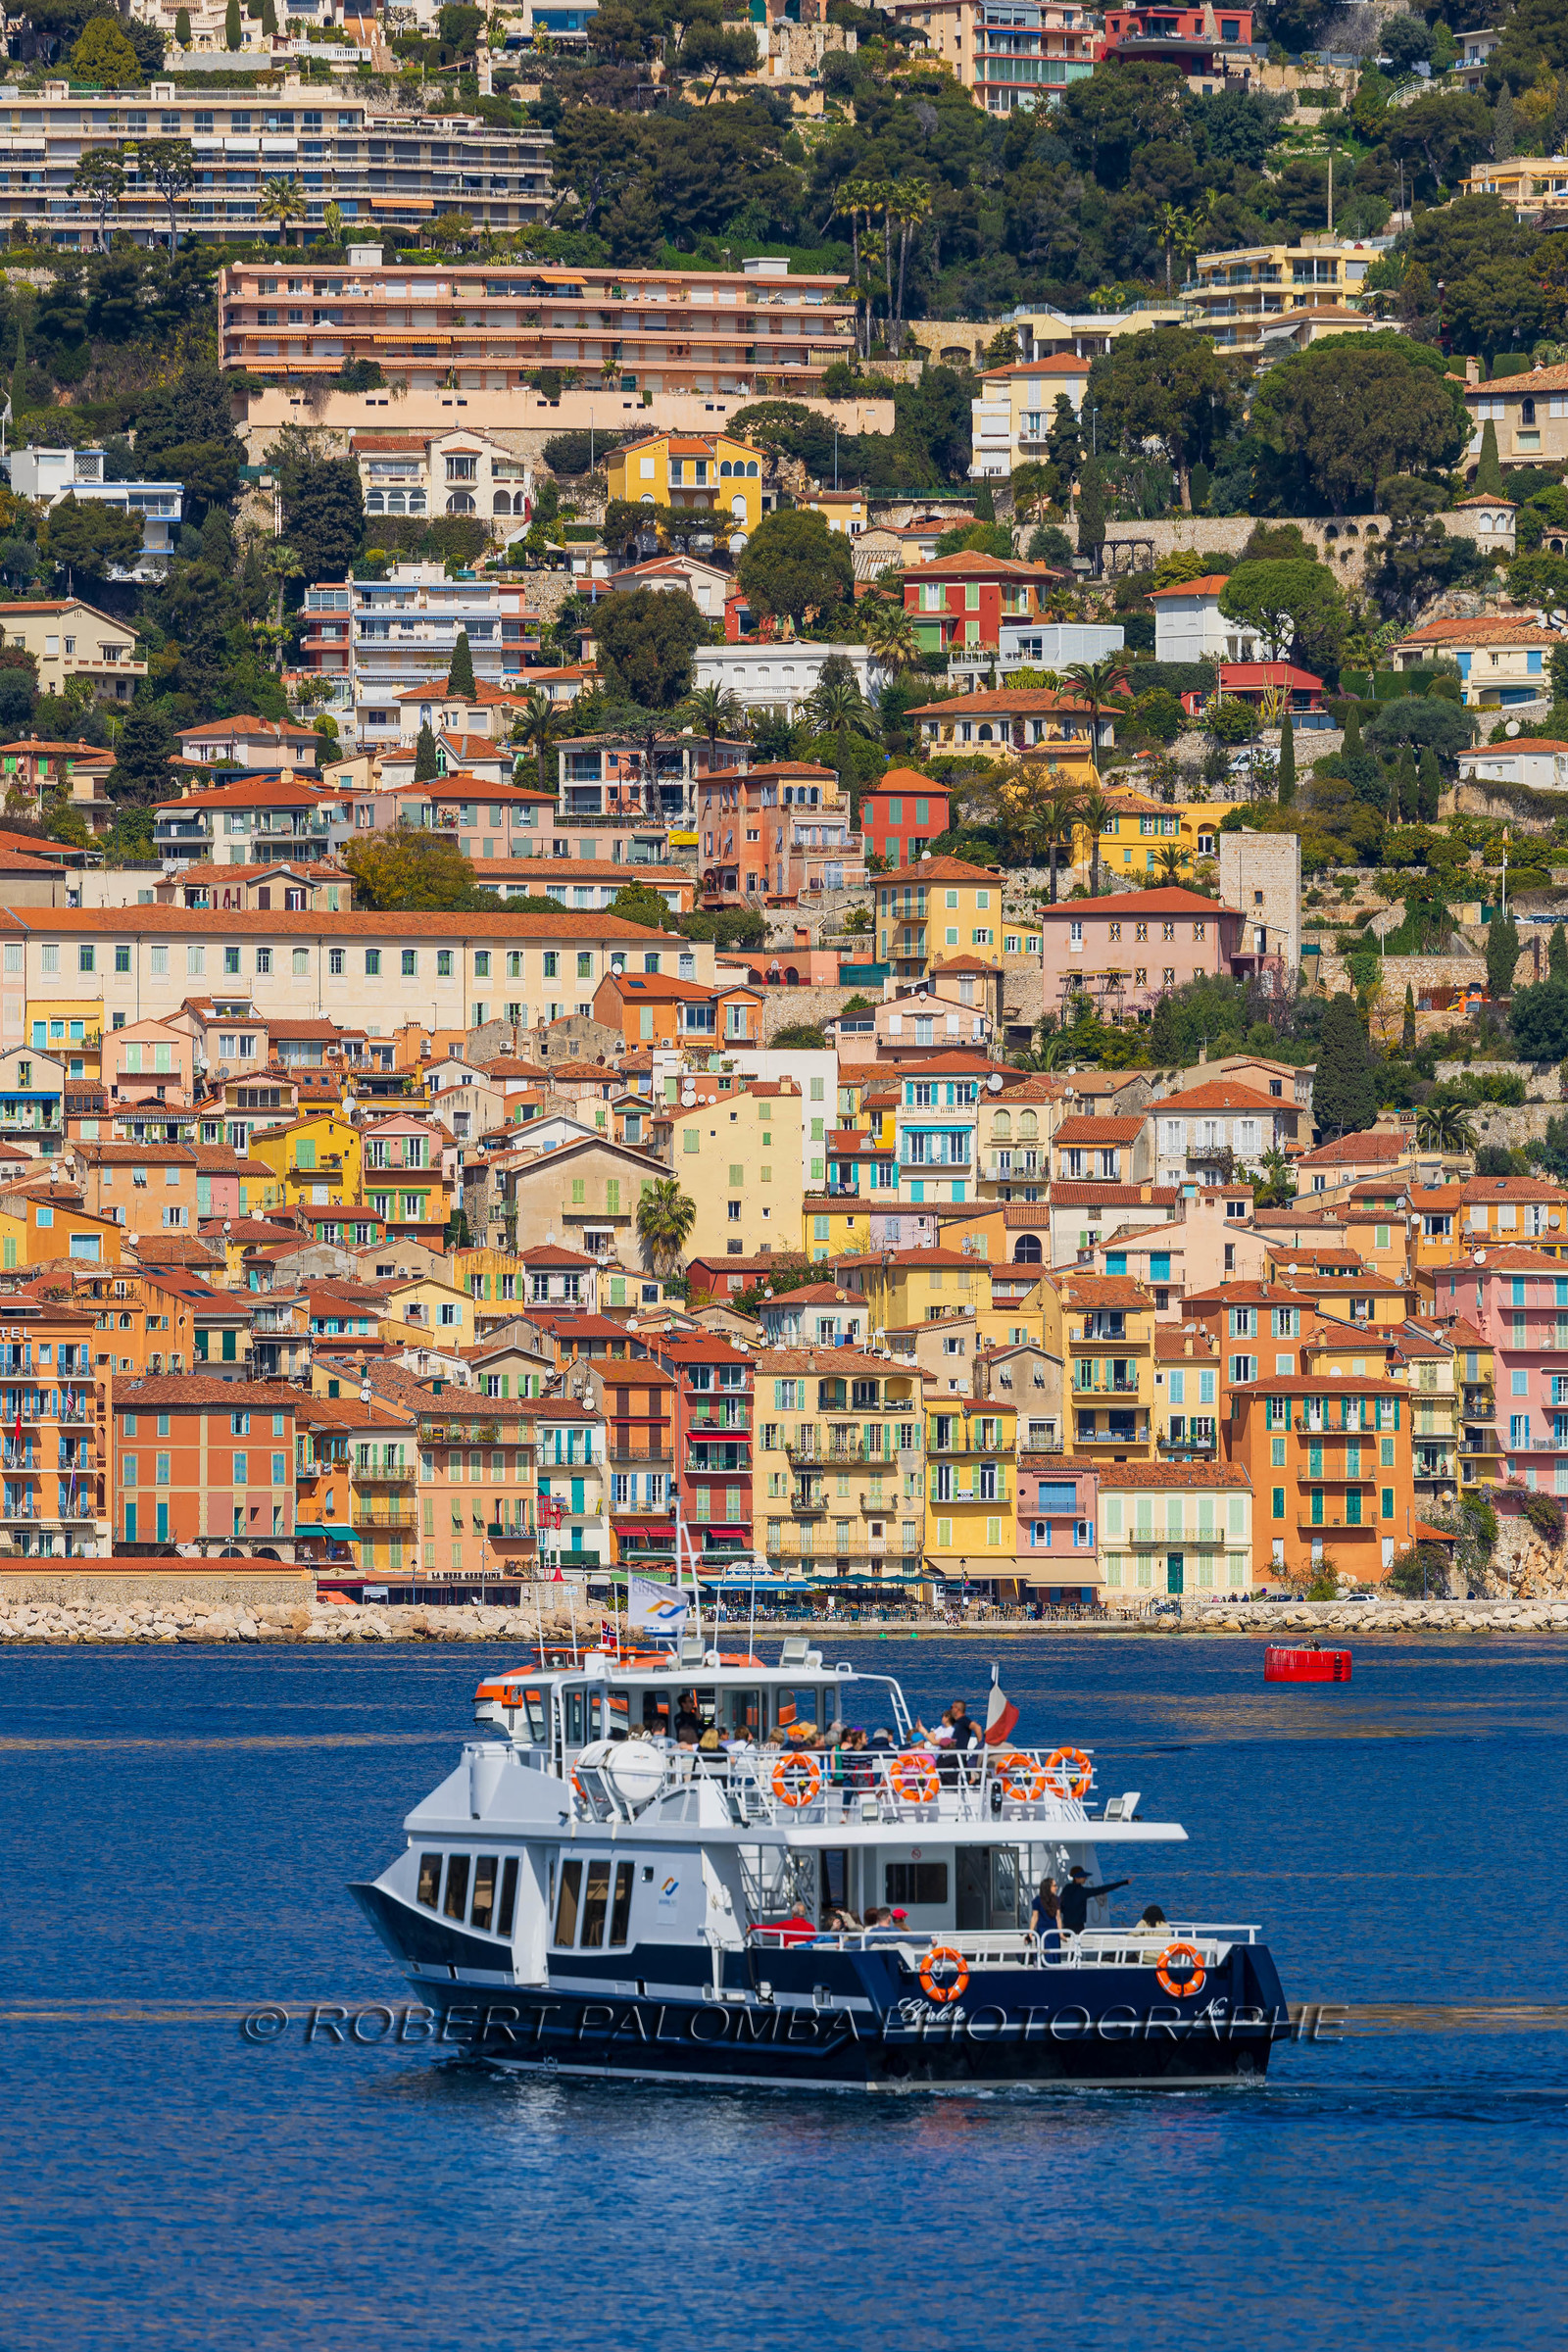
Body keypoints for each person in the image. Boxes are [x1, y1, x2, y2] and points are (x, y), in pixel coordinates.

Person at [1057, 1864, 1130, 1936]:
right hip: (1078, 1926)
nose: (1085, 1878)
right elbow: (1101, 1889)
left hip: (1066, 1925)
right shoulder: (1083, 1891)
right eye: (1083, 1877)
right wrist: (1123, 1883)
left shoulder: (1066, 1889)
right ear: (1077, 1878)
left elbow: (1061, 1904)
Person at [1030, 1875, 1060, 1939]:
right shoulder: (1037, 1900)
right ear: (1048, 1887)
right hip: (1042, 1931)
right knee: (1043, 1949)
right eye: (1054, 1886)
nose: (1056, 1888)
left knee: (1055, 1949)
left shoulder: (1056, 1900)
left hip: (1054, 1932)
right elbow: (1035, 1917)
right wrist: (1030, 1933)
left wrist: (1061, 1933)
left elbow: (1058, 1918)